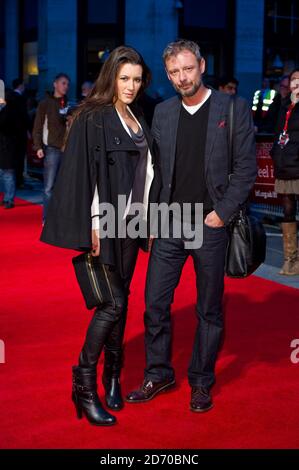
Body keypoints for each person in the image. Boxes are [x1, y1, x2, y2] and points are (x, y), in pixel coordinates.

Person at [126, 39, 256, 413]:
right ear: (167, 75)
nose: (182, 77)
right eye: (174, 72)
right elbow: (157, 171)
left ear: (200, 64)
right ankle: (159, 372)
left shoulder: (232, 108)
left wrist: (222, 213)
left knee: (209, 309)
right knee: (155, 304)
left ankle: (201, 381)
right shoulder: (164, 112)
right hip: (168, 223)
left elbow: (247, 169)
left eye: (187, 68)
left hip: (210, 225)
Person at [40, 46, 161, 426]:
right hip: (105, 223)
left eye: (137, 79)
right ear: (111, 77)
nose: (131, 85)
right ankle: (84, 383)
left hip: (133, 223)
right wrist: (93, 223)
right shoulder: (93, 116)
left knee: (121, 302)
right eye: (124, 78)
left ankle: (113, 377)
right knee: (112, 304)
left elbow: (149, 171)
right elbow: (87, 174)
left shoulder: (139, 114)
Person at [270, 69, 299, 275]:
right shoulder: (284, 104)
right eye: (294, 80)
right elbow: (276, 126)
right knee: (287, 211)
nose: (296, 84)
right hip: (285, 164)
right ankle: (291, 259)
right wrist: (287, 102)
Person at [32, 73, 70, 224]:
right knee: (48, 187)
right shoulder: (45, 103)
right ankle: (47, 218)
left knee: (64, 186)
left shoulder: (68, 103)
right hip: (52, 149)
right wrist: (38, 146)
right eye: (63, 83)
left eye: (67, 84)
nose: (65, 86)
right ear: (55, 84)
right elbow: (37, 126)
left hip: (66, 149)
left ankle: (61, 217)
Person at [0, 89, 19, 209]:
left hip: (7, 146)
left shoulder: (9, 111)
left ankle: (9, 199)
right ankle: (7, 197)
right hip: (4, 146)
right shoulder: (6, 110)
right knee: (4, 173)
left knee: (8, 173)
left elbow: (4, 125)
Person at [11, 78, 29, 188]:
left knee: (13, 157)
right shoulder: (21, 98)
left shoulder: (8, 97)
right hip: (20, 132)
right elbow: (24, 116)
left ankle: (13, 180)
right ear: (20, 86)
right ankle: (19, 181)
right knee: (20, 157)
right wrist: (28, 129)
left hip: (11, 133)